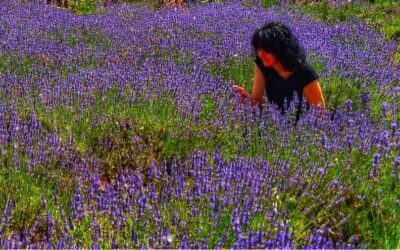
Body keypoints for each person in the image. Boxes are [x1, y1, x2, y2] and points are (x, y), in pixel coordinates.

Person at [233, 22, 325, 122]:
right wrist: (246, 98)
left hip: (303, 130)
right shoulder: (262, 65)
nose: (261, 55)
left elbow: (320, 114)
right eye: (259, 50)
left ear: (280, 49)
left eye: (266, 51)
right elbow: (258, 103)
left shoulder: (305, 73)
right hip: (275, 126)